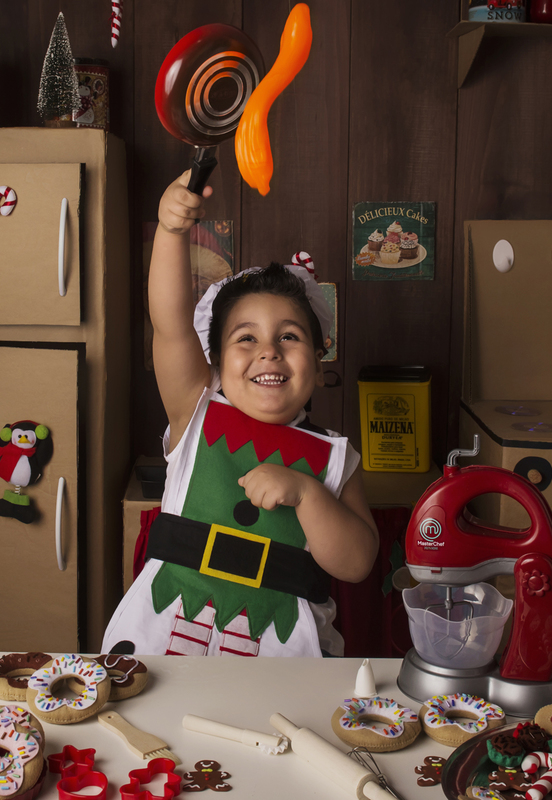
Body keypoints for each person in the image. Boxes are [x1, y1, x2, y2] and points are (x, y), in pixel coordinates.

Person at [101, 171, 379, 657]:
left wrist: (307, 493)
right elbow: (169, 327)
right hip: (166, 629)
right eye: (245, 338)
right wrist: (170, 232)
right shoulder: (196, 409)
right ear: (214, 359)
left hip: (283, 652)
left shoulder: (336, 456)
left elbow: (356, 563)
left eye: (289, 337)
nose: (269, 352)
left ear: (319, 358)